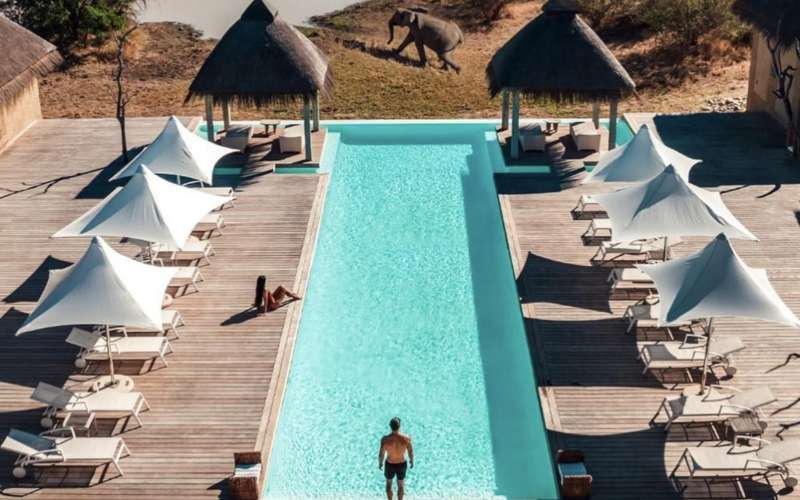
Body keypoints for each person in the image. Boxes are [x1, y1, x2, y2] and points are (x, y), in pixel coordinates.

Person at [379, 417, 414, 500]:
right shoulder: (406, 438)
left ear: (390, 426)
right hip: (401, 464)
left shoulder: (385, 439)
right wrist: (412, 461)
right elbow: (410, 451)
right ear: (399, 426)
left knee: (388, 485)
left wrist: (380, 463)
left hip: (390, 464)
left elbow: (381, 454)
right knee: (401, 485)